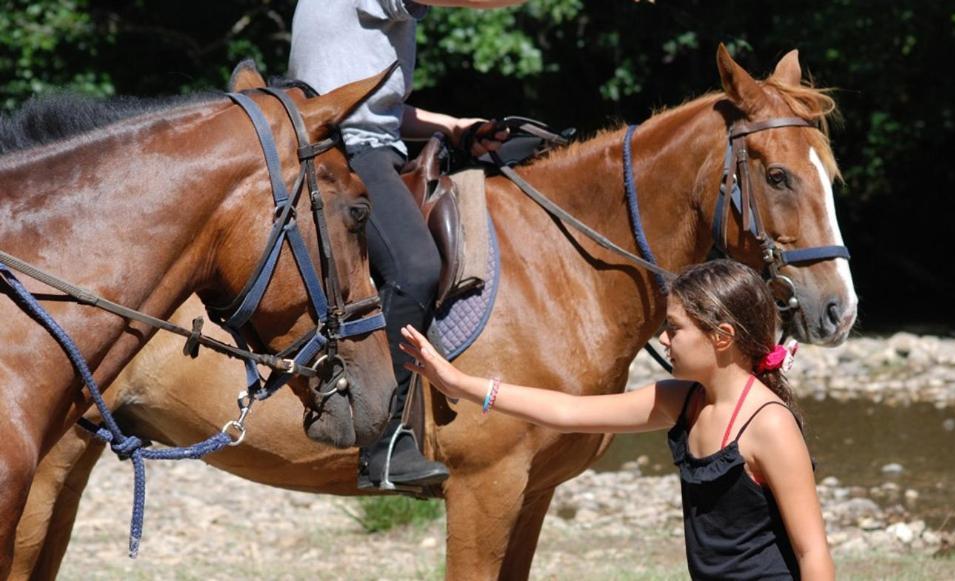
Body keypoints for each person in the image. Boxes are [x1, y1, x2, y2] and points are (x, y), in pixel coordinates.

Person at [401, 260, 835, 580]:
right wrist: (460, 384)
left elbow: (812, 551)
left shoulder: (769, 425)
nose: (664, 339)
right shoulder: (680, 401)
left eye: (675, 328)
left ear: (721, 338)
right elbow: (567, 412)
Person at [288, 0, 520, 489]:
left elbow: (383, 110)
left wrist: (455, 127)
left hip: (370, 143)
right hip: (343, 149)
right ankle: (383, 440)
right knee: (414, 266)